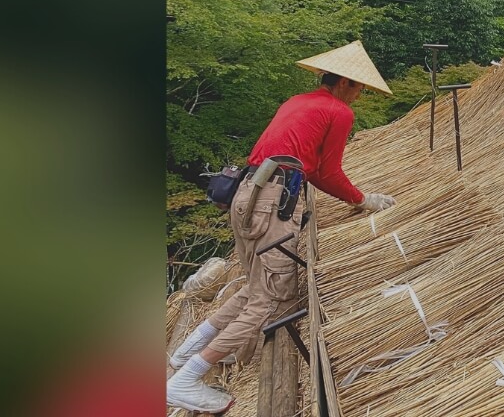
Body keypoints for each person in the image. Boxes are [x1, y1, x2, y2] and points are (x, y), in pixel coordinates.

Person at [166, 41, 398, 413]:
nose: (359, 96)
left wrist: (353, 196)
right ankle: (187, 379)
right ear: (345, 83)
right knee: (272, 296)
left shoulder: (298, 101)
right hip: (272, 202)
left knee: (255, 285)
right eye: (359, 88)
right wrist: (361, 200)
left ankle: (184, 354)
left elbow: (308, 168)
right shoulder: (337, 111)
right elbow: (327, 171)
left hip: (245, 193)